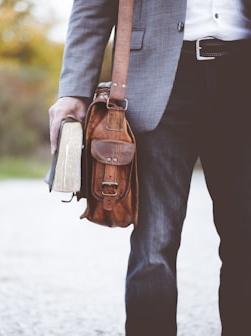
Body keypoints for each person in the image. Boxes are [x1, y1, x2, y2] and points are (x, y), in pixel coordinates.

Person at [49, 1, 251, 335]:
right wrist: (74, 89)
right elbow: (92, 8)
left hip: (242, 75)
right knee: (155, 244)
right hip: (161, 79)